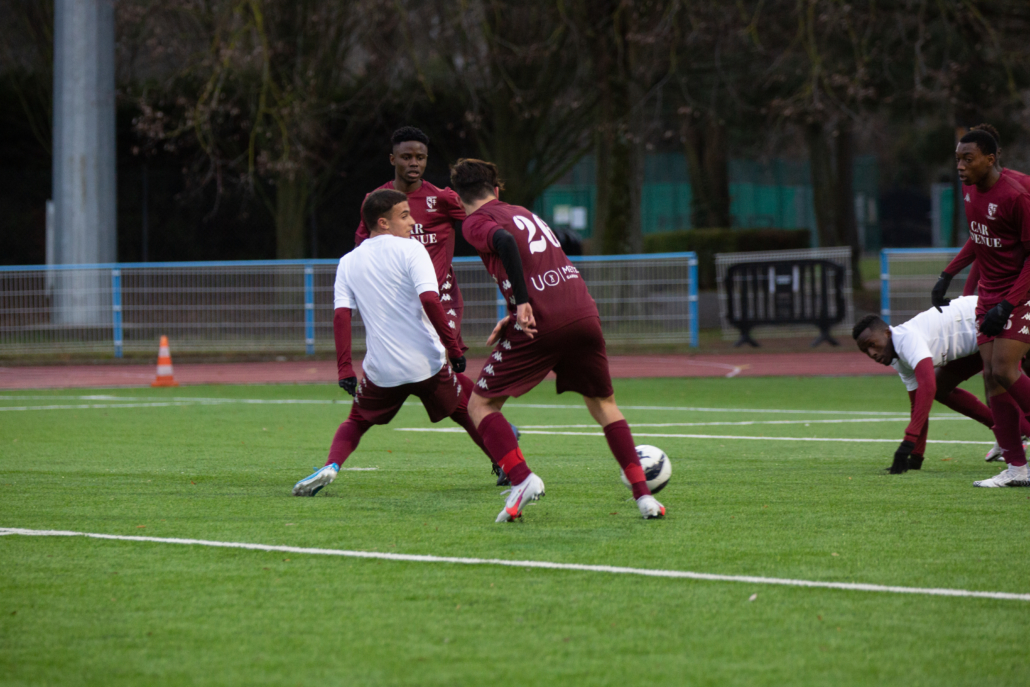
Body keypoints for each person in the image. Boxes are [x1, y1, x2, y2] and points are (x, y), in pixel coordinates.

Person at [450, 157, 666, 521]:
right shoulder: (522, 211)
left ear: (459, 198)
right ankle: (644, 496)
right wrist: (512, 309)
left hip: (542, 320)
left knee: (480, 406)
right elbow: (539, 262)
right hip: (581, 309)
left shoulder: (474, 222)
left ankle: (521, 479)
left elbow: (503, 242)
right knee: (604, 404)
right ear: (497, 190)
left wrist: (521, 303)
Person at [292, 190, 493, 496]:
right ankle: (504, 464)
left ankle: (331, 466)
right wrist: (453, 348)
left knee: (356, 421)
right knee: (466, 411)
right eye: (404, 215)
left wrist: (345, 369)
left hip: (382, 370)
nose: (413, 221)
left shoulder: (347, 262)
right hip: (425, 363)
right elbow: (430, 299)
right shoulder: (412, 250)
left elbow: (341, 317)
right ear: (383, 223)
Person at [354, 126, 516, 485]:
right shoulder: (377, 201)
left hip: (440, 301)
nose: (414, 163)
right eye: (407, 157)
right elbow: (361, 251)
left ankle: (500, 449)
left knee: (442, 373)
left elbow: (479, 225)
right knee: (447, 382)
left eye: (421, 157)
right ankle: (496, 430)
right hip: (400, 309)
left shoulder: (442, 199)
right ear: (392, 159)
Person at [931, 129, 1030, 487]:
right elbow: (980, 235)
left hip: (1022, 293)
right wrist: (948, 274)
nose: (960, 166)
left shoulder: (1017, 195)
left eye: (967, 158)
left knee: (1005, 368)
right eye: (957, 158)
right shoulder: (969, 188)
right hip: (989, 295)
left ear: (991, 158)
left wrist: (1008, 303)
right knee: (991, 377)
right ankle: (1018, 469)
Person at [853, 299, 1030, 473]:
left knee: (999, 386)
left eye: (872, 345)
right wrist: (915, 457)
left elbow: (927, 386)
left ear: (887, 333)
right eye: (865, 351)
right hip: (976, 341)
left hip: (996, 319)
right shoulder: (896, 357)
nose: (872, 353)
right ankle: (1005, 432)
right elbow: (918, 404)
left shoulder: (906, 339)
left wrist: (908, 440)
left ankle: (1015, 438)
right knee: (942, 388)